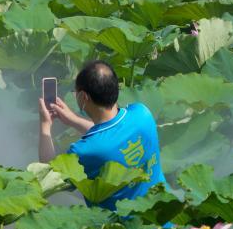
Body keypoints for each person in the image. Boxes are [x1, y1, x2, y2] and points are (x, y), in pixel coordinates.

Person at [38, 59, 165, 210]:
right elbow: (110, 133)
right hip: (166, 218)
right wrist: (73, 120)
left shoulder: (85, 151)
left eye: (75, 92)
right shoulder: (142, 113)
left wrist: (45, 125)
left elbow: (50, 173)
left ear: (83, 97)